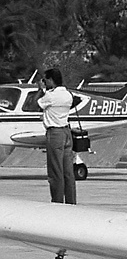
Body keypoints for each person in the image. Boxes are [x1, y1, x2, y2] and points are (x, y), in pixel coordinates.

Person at [38, 68, 82, 204]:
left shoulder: (50, 96)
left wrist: (40, 89)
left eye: (46, 80)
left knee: (55, 171)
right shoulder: (68, 94)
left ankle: (57, 202)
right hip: (66, 132)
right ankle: (71, 202)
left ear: (51, 80)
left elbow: (37, 103)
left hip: (55, 133)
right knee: (68, 172)